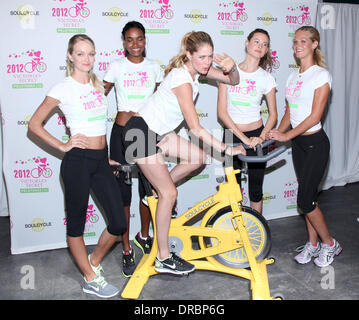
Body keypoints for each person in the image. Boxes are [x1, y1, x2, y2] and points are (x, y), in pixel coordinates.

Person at [120, 31, 246, 275]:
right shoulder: (182, 79)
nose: (207, 62)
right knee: (169, 193)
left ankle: (153, 192)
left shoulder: (198, 72)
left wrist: (232, 68)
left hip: (159, 133)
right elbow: (195, 128)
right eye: (201, 57)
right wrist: (227, 149)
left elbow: (234, 81)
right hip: (139, 133)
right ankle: (163, 258)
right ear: (189, 55)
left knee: (198, 158)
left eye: (210, 57)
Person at [28, 34, 127, 298]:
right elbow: (34, 124)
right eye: (81, 53)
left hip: (100, 161)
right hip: (77, 163)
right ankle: (91, 278)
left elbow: (98, 128)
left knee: (118, 223)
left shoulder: (97, 85)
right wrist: (62, 146)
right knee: (76, 225)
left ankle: (92, 264)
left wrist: (103, 155)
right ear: (70, 56)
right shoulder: (62, 88)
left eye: (91, 53)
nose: (87, 59)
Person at [267, 26, 341, 267]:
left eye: (303, 41)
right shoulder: (293, 76)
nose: (297, 45)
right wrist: (278, 132)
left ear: (314, 44)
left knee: (305, 201)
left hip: (315, 144)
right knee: (307, 198)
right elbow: (290, 111)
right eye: (295, 41)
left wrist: (287, 136)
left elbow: (314, 116)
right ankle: (313, 243)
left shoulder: (321, 76)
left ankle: (330, 243)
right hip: (299, 143)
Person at [103, 21, 163, 277]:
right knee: (122, 196)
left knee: (149, 191)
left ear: (145, 40)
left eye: (139, 39)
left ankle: (144, 235)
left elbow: (161, 101)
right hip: (120, 134)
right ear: (123, 42)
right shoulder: (115, 66)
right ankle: (126, 249)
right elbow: (96, 98)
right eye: (130, 39)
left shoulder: (155, 67)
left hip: (145, 133)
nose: (135, 44)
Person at [217, 28, 277, 214]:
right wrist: (243, 139)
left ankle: (254, 234)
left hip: (257, 136)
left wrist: (260, 137)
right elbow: (222, 113)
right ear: (247, 43)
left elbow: (273, 115)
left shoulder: (266, 78)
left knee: (256, 189)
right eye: (256, 41)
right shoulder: (228, 72)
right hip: (233, 135)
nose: (260, 46)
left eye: (264, 44)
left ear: (267, 50)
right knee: (233, 188)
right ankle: (237, 233)